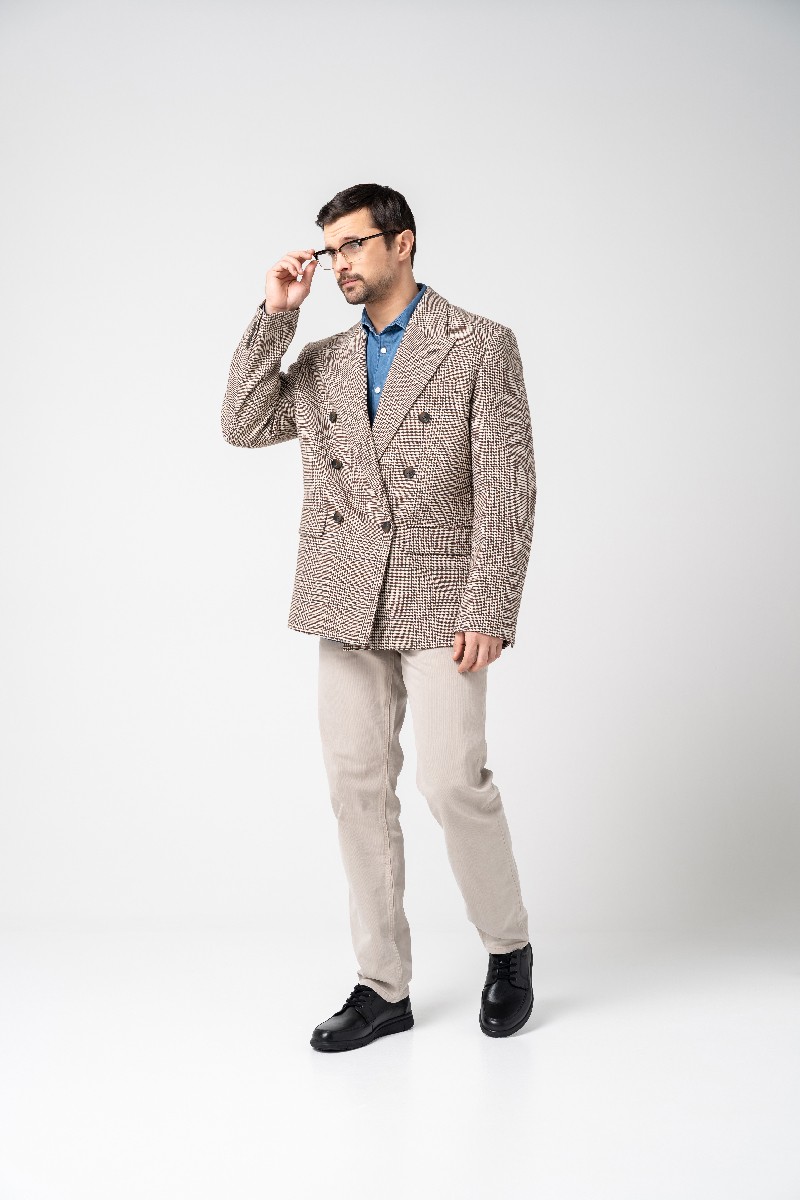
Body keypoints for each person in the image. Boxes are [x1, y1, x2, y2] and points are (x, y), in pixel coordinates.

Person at [221, 183, 537, 1052]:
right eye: (331, 251)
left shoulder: (479, 344)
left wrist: (490, 604)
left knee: (451, 781)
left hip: (442, 596)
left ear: (403, 243)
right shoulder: (323, 358)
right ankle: (381, 986)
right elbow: (242, 423)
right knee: (356, 789)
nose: (339, 265)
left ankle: (508, 948)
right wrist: (276, 315)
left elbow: (508, 485)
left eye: (354, 245)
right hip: (344, 593)